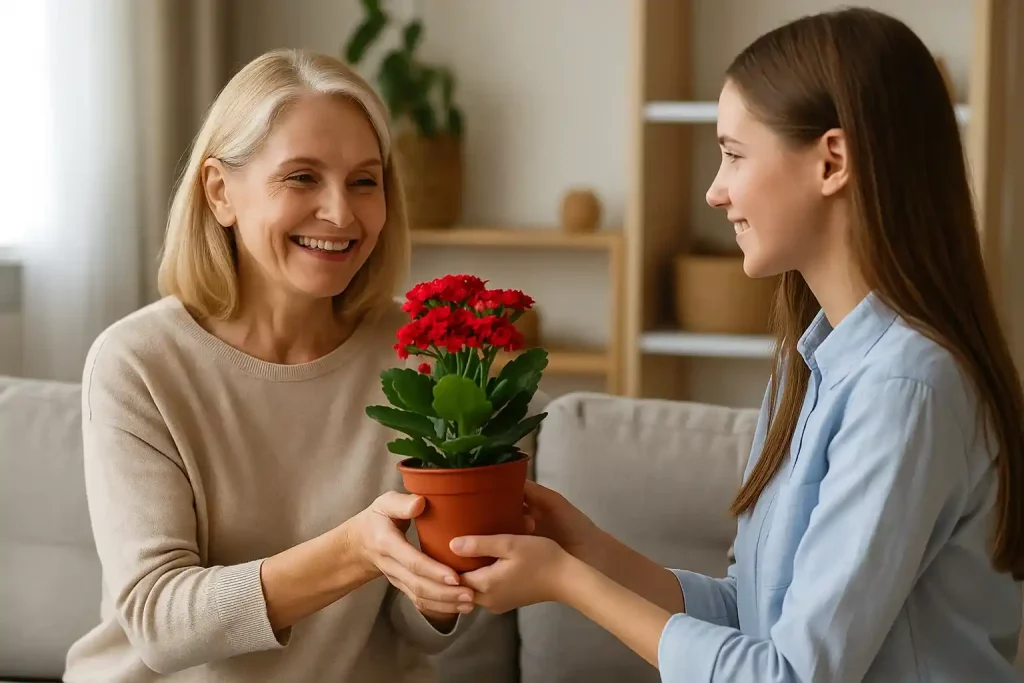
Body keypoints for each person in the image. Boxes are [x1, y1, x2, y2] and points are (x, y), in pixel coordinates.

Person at [448, 8, 1024, 682]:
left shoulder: (907, 389)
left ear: (831, 160)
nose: (715, 192)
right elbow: (753, 620)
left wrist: (569, 583)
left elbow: (786, 675)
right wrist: (588, 551)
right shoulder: (810, 366)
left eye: (732, 153)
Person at [64, 49, 479, 682]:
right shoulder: (138, 364)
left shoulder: (422, 351)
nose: (340, 213)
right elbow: (158, 622)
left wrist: (446, 582)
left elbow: (415, 628)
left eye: (364, 182)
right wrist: (354, 550)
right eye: (302, 177)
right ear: (220, 191)